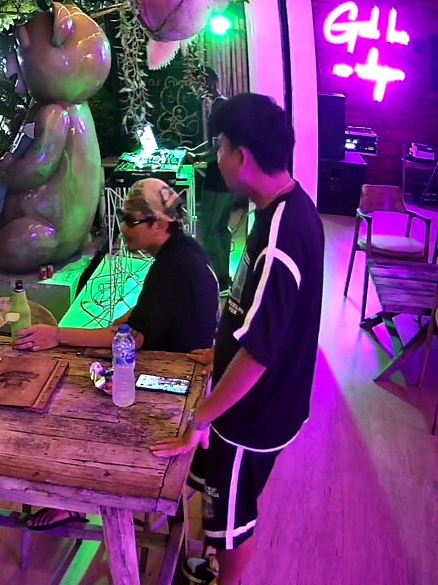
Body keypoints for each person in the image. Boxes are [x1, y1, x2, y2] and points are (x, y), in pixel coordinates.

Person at [152, 93, 323, 585]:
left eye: (221, 145)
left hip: (254, 415)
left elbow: (259, 354)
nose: (218, 155)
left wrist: (200, 418)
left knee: (231, 517)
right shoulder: (283, 208)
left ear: (241, 156)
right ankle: (207, 565)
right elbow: (264, 318)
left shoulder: (282, 237)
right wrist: (219, 351)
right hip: (254, 403)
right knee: (216, 494)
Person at [13, 177, 220, 530]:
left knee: (68, 413)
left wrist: (58, 335)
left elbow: (132, 338)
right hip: (175, 367)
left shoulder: (172, 267)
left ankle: (78, 503)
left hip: (173, 382)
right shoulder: (183, 250)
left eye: (130, 221)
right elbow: (144, 313)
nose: (122, 229)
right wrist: (113, 326)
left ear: (160, 225)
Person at [188, 69, 237, 290]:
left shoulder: (218, 109)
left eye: (199, 82)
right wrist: (195, 152)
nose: (196, 88)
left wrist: (198, 158)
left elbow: (217, 147)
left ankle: (219, 279)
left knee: (207, 230)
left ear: (210, 82)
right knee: (220, 228)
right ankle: (225, 278)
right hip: (229, 178)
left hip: (218, 179)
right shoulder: (223, 105)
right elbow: (213, 143)